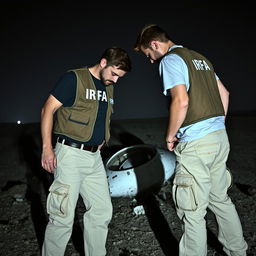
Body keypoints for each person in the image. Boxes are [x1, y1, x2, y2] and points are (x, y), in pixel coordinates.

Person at [134, 24, 248, 256]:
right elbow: (224, 93)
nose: (151, 61)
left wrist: (170, 134)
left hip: (197, 143)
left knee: (192, 209)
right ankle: (238, 251)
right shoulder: (200, 58)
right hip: (219, 137)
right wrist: (217, 125)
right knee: (221, 200)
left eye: (149, 55)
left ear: (154, 44)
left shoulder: (171, 60)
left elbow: (181, 101)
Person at [40, 46, 131, 256]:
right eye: (114, 74)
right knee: (62, 216)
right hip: (70, 154)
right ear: (103, 63)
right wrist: (47, 148)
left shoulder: (109, 86)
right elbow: (48, 109)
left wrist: (101, 141)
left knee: (101, 210)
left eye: (120, 77)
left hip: (94, 158)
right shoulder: (74, 79)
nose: (116, 80)